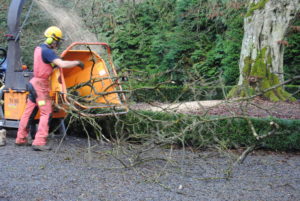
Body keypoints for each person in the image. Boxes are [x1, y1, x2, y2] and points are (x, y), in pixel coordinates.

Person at [15, 26, 84, 151]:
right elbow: (62, 64)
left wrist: (53, 64)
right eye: (57, 41)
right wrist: (77, 62)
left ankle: (21, 138)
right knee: (47, 112)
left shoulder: (39, 49)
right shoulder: (48, 52)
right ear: (52, 39)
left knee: (28, 112)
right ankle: (39, 142)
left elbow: (45, 64)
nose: (57, 44)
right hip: (40, 87)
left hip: (33, 84)